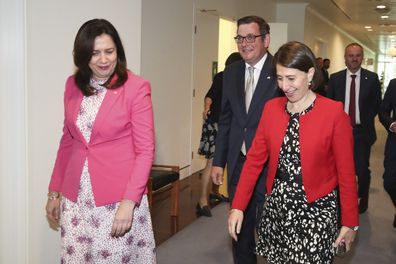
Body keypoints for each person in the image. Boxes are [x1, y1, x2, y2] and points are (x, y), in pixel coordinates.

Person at [228, 41, 359, 263]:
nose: (284, 86)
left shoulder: (333, 113)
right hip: (277, 206)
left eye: (291, 78)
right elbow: (253, 162)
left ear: (310, 73)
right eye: (279, 78)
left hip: (316, 209)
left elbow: (346, 173)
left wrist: (349, 222)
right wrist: (238, 206)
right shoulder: (272, 109)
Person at [45, 19, 156, 263]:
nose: (103, 60)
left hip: (117, 199)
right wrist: (54, 192)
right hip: (76, 198)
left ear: (118, 51)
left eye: (109, 51)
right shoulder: (72, 85)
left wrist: (129, 203)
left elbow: (146, 150)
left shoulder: (136, 87)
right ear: (83, 56)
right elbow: (68, 140)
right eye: (94, 53)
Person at [211, 15, 279, 263]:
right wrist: (219, 161)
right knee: (239, 226)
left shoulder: (280, 72)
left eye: (251, 37)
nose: (244, 43)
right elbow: (226, 119)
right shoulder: (231, 73)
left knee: (271, 227)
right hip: (239, 162)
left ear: (266, 39)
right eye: (240, 37)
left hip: (272, 165)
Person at [327, 42, 381, 214]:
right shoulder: (335, 79)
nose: (354, 59)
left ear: (362, 58)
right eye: (351, 55)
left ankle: (362, 197)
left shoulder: (371, 79)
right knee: (338, 168)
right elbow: (330, 104)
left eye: (357, 55)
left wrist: (362, 118)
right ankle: (338, 201)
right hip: (339, 132)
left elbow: (376, 104)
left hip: (361, 132)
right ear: (345, 58)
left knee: (361, 169)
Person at [197, 52, 242, 217]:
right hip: (216, 124)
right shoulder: (222, 77)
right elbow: (209, 96)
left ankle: (214, 192)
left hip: (228, 125)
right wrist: (206, 108)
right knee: (212, 162)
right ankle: (202, 201)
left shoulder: (239, 80)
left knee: (223, 161)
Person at [378, 78, 396, 228]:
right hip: (395, 142)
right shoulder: (394, 84)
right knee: (389, 181)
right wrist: (391, 123)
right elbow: (383, 110)